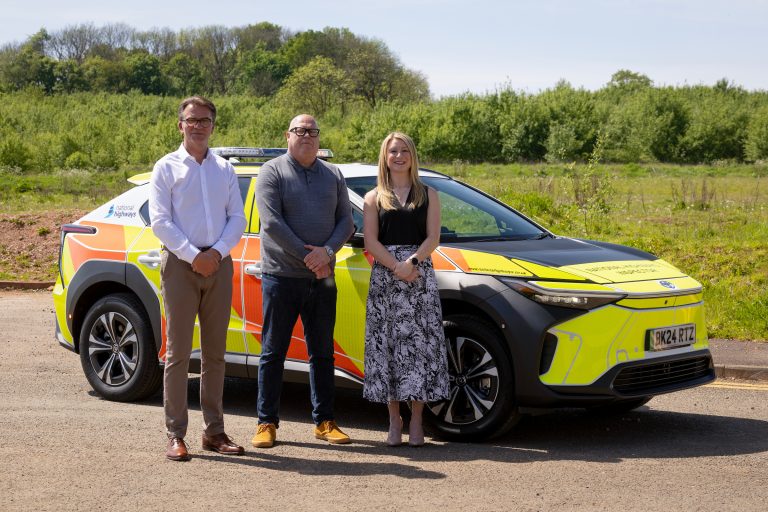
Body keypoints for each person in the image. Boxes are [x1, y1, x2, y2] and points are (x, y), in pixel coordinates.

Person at [149, 96, 247, 461]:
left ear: (213, 125)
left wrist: (216, 253)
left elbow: (237, 218)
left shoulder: (224, 169)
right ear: (181, 125)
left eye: (205, 120)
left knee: (215, 355)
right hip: (179, 265)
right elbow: (160, 221)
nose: (199, 125)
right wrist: (194, 255)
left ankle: (215, 432)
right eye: (192, 120)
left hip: (219, 265)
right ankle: (175, 434)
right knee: (177, 354)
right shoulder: (166, 167)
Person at [252, 114, 354, 448]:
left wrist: (326, 252)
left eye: (312, 131)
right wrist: (311, 257)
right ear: (288, 135)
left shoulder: (333, 174)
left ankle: (325, 421)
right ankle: (266, 423)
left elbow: (346, 222)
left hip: (322, 279)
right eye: (300, 130)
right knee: (273, 353)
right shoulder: (271, 172)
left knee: (323, 353)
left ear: (319, 136)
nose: (307, 135)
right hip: (281, 277)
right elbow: (272, 224)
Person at [362, 132, 450, 447]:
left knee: (419, 348)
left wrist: (411, 261)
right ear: (385, 157)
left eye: (404, 151)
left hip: (419, 276)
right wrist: (396, 266)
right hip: (386, 280)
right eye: (392, 151)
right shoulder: (374, 197)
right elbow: (371, 240)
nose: (398, 156)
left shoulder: (429, 194)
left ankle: (416, 419)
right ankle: (393, 420)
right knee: (388, 348)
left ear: (412, 157)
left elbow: (433, 237)